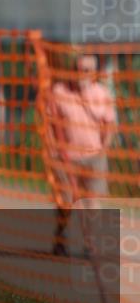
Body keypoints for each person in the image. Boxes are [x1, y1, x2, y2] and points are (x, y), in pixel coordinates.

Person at [46, 53, 118, 256]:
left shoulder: (102, 93)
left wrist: (104, 148)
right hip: (65, 158)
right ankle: (61, 239)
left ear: (93, 73)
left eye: (86, 70)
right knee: (66, 203)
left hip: (94, 157)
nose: (81, 74)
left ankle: (91, 246)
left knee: (92, 202)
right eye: (78, 69)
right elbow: (50, 123)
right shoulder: (59, 91)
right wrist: (54, 149)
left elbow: (109, 124)